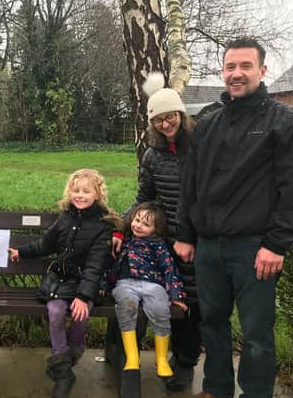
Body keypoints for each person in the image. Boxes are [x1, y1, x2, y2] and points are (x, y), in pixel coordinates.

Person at [174, 37, 293, 398]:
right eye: (230, 67)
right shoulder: (207, 124)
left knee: (256, 333)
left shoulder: (287, 122)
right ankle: (216, 388)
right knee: (212, 324)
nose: (236, 74)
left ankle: (255, 393)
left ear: (262, 71)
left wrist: (276, 244)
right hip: (208, 248)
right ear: (223, 72)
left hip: (255, 250)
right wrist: (185, 234)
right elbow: (189, 186)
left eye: (245, 66)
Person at [118, 71, 202, 391]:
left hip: (196, 240)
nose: (166, 125)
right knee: (170, 299)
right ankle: (171, 355)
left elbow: (207, 196)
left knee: (193, 304)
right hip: (166, 241)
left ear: (180, 115)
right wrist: (120, 227)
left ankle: (186, 361)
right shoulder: (153, 155)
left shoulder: (199, 149)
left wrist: (190, 236)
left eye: (170, 117)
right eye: (158, 120)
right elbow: (145, 198)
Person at [8, 169, 121, 398]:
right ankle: (63, 372)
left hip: (86, 284)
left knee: (81, 313)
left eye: (86, 191)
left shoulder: (103, 226)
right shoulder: (65, 218)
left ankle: (74, 350)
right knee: (55, 310)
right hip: (59, 281)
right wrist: (21, 252)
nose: (80, 195)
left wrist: (83, 296)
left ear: (97, 194)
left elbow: (95, 266)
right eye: (75, 190)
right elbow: (45, 245)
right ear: (69, 192)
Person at [104, 202, 187, 395]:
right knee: (126, 305)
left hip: (153, 285)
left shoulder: (158, 246)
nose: (138, 225)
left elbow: (169, 269)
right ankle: (132, 357)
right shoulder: (124, 241)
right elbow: (111, 267)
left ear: (156, 230)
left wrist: (176, 295)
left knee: (160, 308)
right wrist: (102, 287)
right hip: (125, 284)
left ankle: (161, 358)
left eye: (145, 224)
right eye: (137, 220)